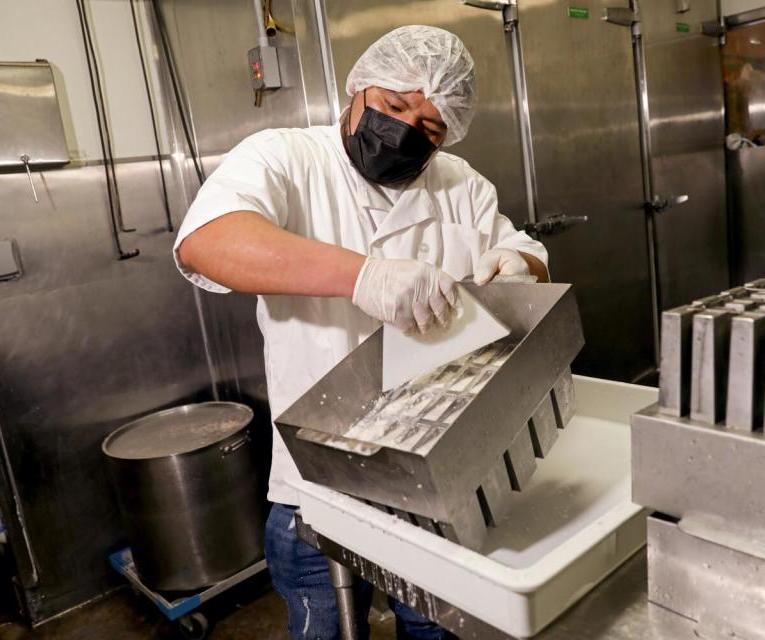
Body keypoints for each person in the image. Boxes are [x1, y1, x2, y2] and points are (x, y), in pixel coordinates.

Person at [173, 25, 548, 639]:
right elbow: (207, 241)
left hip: (433, 472)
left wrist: (520, 266)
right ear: (357, 89)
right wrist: (363, 276)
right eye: (394, 106)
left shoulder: (460, 183)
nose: (404, 131)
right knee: (324, 628)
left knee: (437, 629)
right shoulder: (287, 158)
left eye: (429, 128)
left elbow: (519, 248)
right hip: (317, 476)